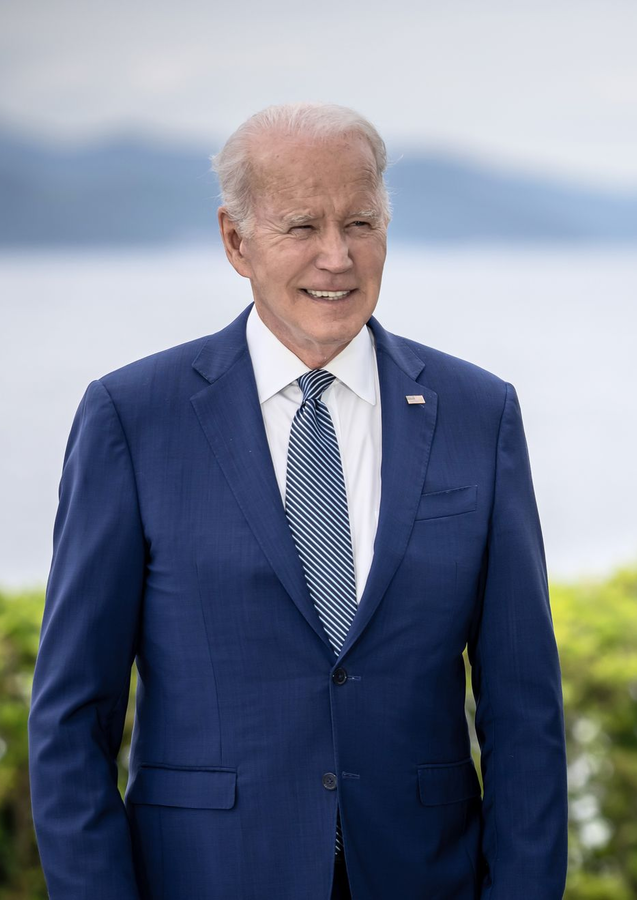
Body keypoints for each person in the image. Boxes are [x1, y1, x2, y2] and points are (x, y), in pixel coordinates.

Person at [28, 102, 567, 900]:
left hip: (425, 877)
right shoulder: (133, 418)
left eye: (361, 223)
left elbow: (525, 712)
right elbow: (73, 719)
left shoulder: (478, 414)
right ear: (236, 241)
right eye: (302, 227)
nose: (337, 257)